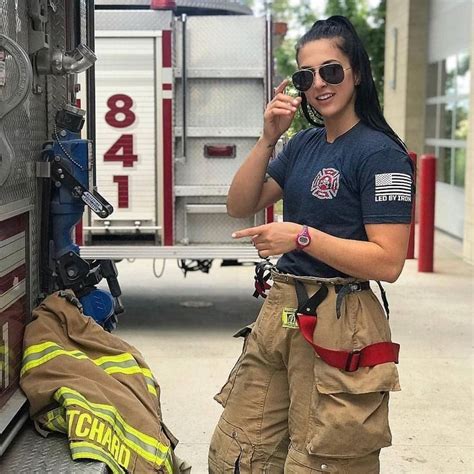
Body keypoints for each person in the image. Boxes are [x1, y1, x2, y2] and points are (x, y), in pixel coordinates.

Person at [208, 15, 414, 474]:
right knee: (240, 453)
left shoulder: (380, 153)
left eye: (331, 71)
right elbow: (240, 203)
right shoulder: (303, 145)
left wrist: (300, 236)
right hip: (282, 310)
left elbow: (388, 261)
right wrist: (267, 138)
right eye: (307, 76)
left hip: (342, 318)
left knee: (322, 461)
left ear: (357, 71)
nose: (319, 84)